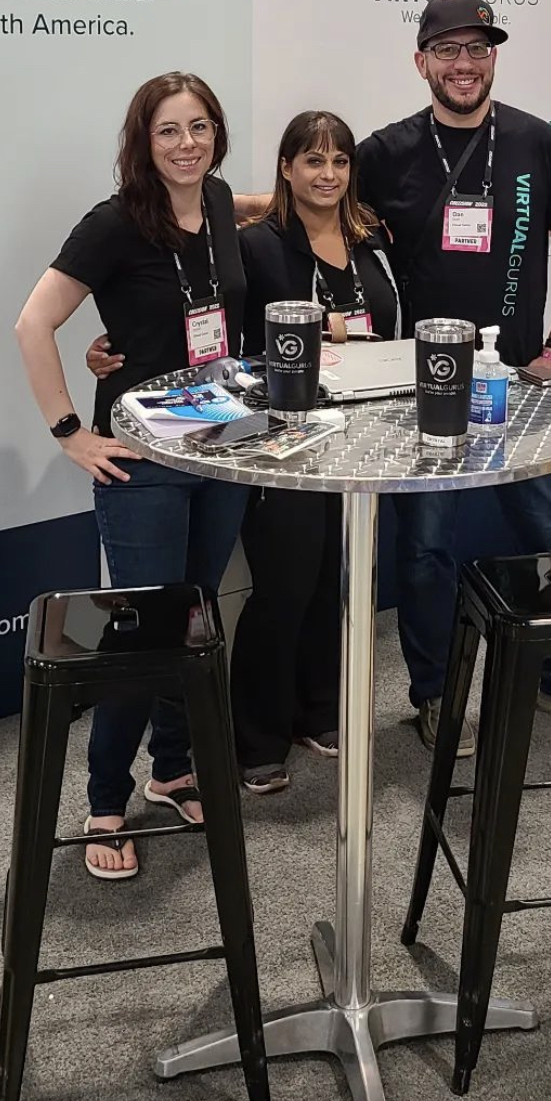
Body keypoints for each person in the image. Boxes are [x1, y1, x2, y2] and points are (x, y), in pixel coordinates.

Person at [353, 0, 551, 749]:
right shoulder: (384, 153)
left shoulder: (537, 143)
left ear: (494, 60)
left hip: (522, 384)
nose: (464, 65)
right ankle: (435, 694)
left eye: (478, 50)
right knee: (423, 550)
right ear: (421, 61)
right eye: (447, 50)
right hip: (424, 393)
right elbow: (310, 206)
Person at [15, 72, 247, 880]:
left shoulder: (218, 203)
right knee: (142, 632)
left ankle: (173, 768)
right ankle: (106, 800)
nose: (187, 144)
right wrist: (70, 431)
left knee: (195, 620)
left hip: (224, 448)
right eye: (168, 132)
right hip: (143, 461)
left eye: (200, 127)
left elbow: (238, 232)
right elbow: (33, 322)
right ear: (141, 144)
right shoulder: (113, 224)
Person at [232, 110, 400, 794]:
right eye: (312, 161)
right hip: (286, 444)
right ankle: (257, 736)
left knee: (338, 577)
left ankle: (315, 710)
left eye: (338, 162)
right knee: (284, 584)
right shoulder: (260, 247)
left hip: (361, 438)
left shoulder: (372, 240)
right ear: (286, 168)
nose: (327, 175)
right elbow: (235, 354)